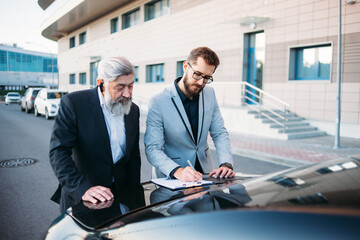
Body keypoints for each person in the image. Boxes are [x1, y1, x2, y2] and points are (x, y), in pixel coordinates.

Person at [49, 57, 141, 212]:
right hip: (84, 198)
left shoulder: (133, 110)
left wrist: (135, 201)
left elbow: (133, 157)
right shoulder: (73, 103)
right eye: (120, 87)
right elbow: (58, 152)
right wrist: (82, 188)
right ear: (101, 83)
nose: (127, 94)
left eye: (131, 86)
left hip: (121, 198)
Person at [144, 47, 235, 182]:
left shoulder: (210, 94)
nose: (200, 82)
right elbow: (153, 148)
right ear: (186, 66)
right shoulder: (158, 101)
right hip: (172, 177)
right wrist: (177, 171)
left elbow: (220, 132)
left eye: (207, 78)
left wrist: (226, 163)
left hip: (204, 174)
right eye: (197, 74)